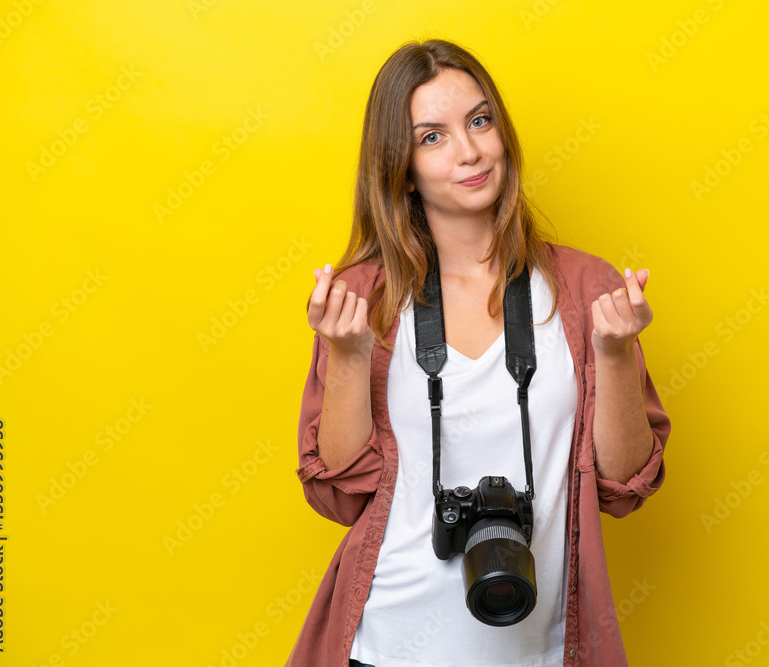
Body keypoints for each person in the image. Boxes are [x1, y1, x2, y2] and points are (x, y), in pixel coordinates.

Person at [286, 39, 671, 667]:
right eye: (431, 137)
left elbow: (625, 486)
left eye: (479, 120)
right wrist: (351, 358)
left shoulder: (583, 290)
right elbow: (339, 495)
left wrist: (618, 354)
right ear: (400, 167)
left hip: (541, 649)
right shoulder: (365, 299)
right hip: (386, 645)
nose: (469, 151)